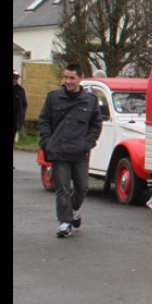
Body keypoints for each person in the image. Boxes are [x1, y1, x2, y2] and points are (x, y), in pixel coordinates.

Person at [37, 62, 102, 238]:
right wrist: (47, 142)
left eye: (72, 78)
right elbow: (43, 121)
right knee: (63, 188)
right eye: (65, 77)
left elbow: (96, 124)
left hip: (80, 152)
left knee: (82, 187)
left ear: (80, 79)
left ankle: (74, 209)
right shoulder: (53, 98)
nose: (68, 81)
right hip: (59, 151)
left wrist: (88, 143)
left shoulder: (90, 100)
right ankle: (65, 222)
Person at [13, 69, 27, 170]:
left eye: (16, 78)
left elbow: (24, 105)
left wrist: (21, 118)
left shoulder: (20, 90)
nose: (15, 80)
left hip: (15, 121)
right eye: (13, 78)